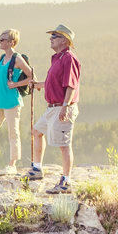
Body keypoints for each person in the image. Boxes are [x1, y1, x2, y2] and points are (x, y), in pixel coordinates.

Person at [35, 24, 81, 192]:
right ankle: (36, 168)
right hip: (51, 107)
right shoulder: (56, 58)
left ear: (64, 40)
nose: (51, 39)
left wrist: (65, 106)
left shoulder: (69, 58)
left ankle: (66, 181)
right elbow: (53, 83)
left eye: (54, 36)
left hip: (62, 107)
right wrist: (38, 85)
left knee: (64, 144)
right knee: (36, 132)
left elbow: (71, 85)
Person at [0, 29, 32, 172]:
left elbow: (31, 76)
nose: (0, 42)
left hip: (12, 101)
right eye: (0, 39)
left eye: (3, 39)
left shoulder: (17, 58)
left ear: (11, 42)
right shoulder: (2, 57)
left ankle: (12, 164)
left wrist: (16, 84)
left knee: (13, 133)